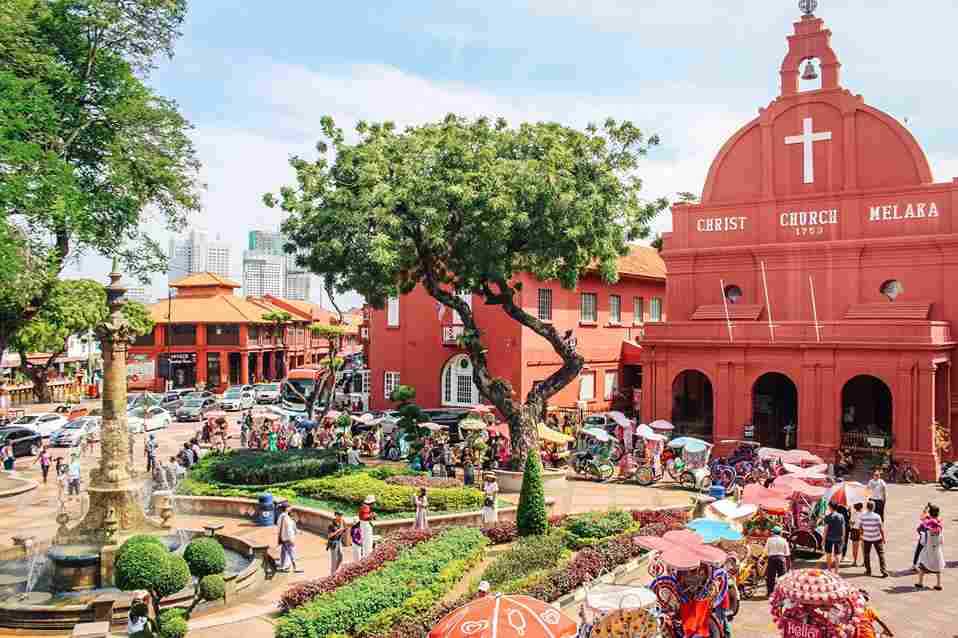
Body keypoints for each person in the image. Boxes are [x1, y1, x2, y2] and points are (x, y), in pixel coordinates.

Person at [915, 504, 944, 590]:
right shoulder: (939, 524)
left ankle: (920, 582)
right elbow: (941, 539)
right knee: (938, 565)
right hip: (937, 548)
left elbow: (920, 530)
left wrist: (925, 510)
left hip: (928, 548)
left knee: (922, 564)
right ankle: (938, 584)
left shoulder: (927, 524)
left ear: (929, 513)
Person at [860, 500, 889, 577]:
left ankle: (868, 570)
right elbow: (881, 528)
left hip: (866, 538)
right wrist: (883, 538)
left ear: (867, 507)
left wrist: (862, 536)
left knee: (866, 554)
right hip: (876, 537)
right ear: (873, 507)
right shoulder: (877, 516)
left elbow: (861, 528)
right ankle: (883, 570)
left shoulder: (863, 516)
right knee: (880, 554)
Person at [276, 503, 303, 573]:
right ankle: (295, 567)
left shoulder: (281, 516)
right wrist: (291, 539)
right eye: (289, 507)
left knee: (284, 552)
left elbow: (279, 528)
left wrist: (280, 537)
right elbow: (288, 528)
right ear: (286, 508)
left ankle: (283, 566)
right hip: (288, 538)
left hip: (283, 538)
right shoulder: (286, 517)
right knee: (292, 552)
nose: (290, 508)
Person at [765, 525, 790, 596]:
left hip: (771, 559)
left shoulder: (769, 540)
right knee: (782, 576)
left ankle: (770, 592)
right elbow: (787, 554)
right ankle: (781, 592)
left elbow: (766, 551)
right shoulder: (784, 540)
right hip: (781, 559)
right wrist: (788, 565)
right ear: (780, 533)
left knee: (770, 576)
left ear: (773, 533)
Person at [823, 501, 845, 572]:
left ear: (831, 507)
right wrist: (843, 537)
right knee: (837, 554)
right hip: (838, 537)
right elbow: (843, 528)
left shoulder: (828, 517)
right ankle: (836, 571)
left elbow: (826, 529)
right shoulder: (841, 516)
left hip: (829, 537)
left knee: (828, 554)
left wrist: (823, 540)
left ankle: (829, 570)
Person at [327, 511, 346, 575]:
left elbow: (344, 530)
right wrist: (338, 531)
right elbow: (329, 536)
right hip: (333, 543)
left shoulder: (342, 522)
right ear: (336, 515)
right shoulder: (331, 524)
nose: (341, 517)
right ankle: (332, 574)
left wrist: (343, 529)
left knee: (341, 556)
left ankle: (337, 570)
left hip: (339, 541)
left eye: (341, 515)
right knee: (334, 559)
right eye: (339, 515)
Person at [912, 503, 930, 572]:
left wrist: (925, 509)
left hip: (923, 538)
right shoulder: (934, 519)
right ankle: (925, 566)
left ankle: (915, 564)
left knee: (919, 551)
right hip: (929, 539)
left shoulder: (926, 519)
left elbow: (922, 517)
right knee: (925, 552)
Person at [848, 502, 864, 566]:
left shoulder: (854, 514)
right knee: (864, 547)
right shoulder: (864, 513)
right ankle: (864, 561)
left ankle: (855, 561)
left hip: (855, 530)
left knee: (855, 547)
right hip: (863, 530)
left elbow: (851, 523)